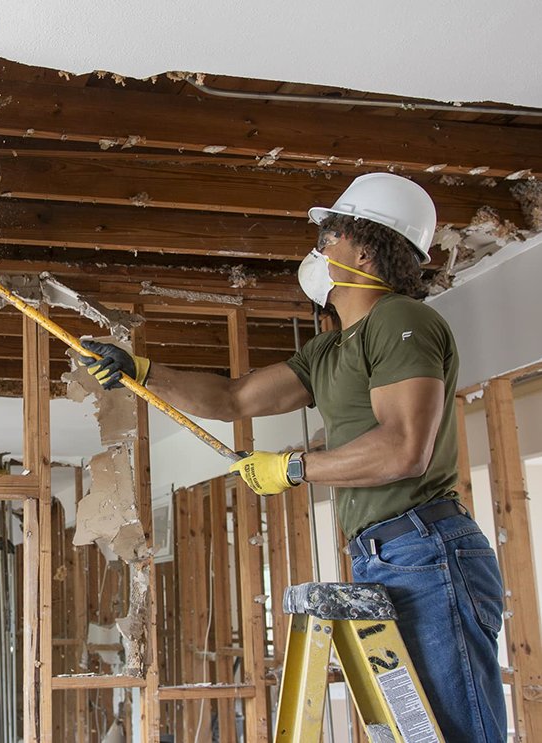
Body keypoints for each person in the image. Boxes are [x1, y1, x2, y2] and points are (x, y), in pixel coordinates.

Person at [81, 173, 507, 742]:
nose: (319, 246)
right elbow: (234, 397)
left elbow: (405, 448)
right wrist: (144, 373)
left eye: (329, 233)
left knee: (456, 731)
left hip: (426, 548)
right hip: (385, 551)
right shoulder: (331, 349)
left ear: (364, 246)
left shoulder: (400, 320)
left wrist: (294, 467)